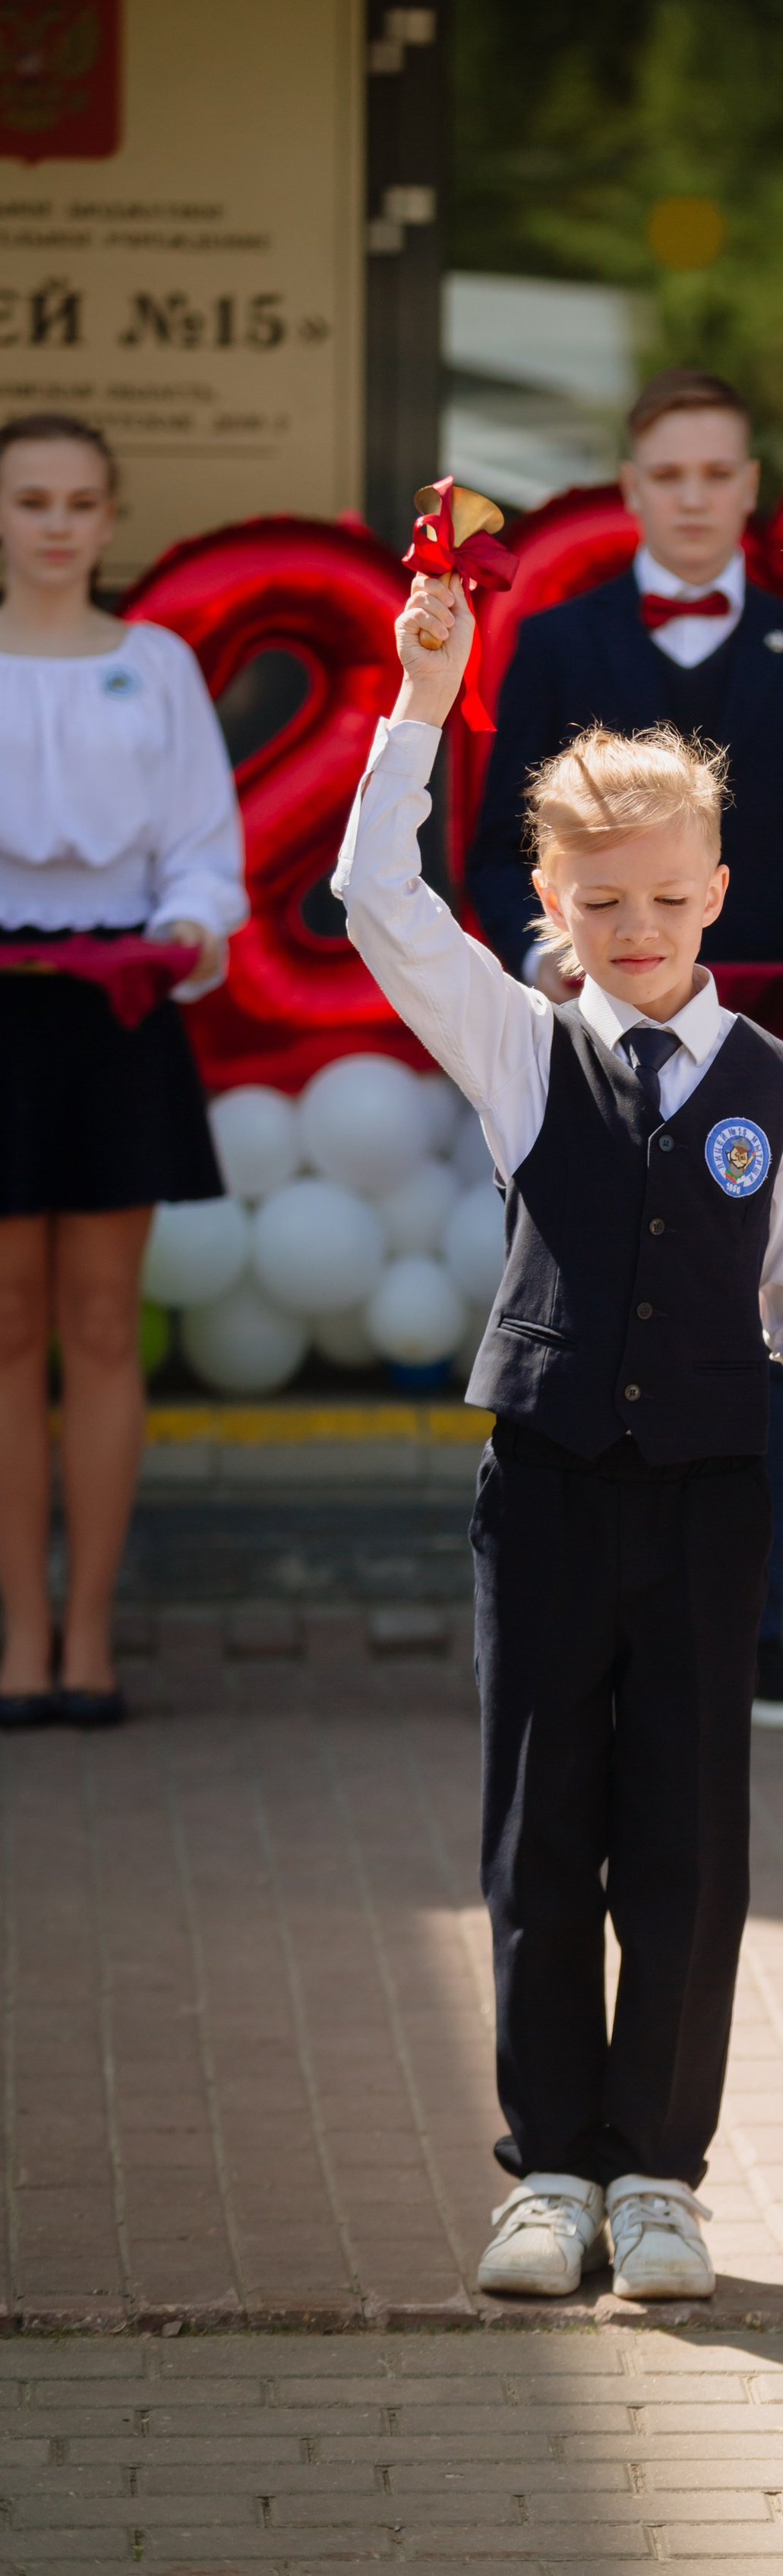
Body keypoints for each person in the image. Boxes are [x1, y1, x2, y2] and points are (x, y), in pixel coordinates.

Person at [335, 563, 783, 2303]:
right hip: (547, 1488)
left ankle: (660, 2177)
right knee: (540, 1832)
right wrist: (422, 702)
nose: (635, 927)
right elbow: (371, 894)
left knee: (689, 1848)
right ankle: (550, 2168)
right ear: (550, 901)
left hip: (710, 1502)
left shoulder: (778, 1088)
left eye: (663, 895)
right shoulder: (514, 1046)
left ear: (716, 887)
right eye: (598, 899)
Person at [467, 367, 783, 1733]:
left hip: (743, 1048)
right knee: (586, 1327)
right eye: (669, 476)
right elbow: (493, 856)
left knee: (746, 1325)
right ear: (630, 491)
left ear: (749, 487)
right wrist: (547, 966)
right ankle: (568, 1630)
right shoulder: (564, 639)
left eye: (719, 474)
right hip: (593, 1044)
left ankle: (748, 1634)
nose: (695, 498)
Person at [0, 414, 244, 1733]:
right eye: (30, 499)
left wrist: (192, 925)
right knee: (2, 1332)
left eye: (78, 501)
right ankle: (18, 1638)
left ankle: (88, 1637)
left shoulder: (155, 667)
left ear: (109, 518)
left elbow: (205, 849)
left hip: (114, 1003)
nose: (53, 522)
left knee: (99, 1325)